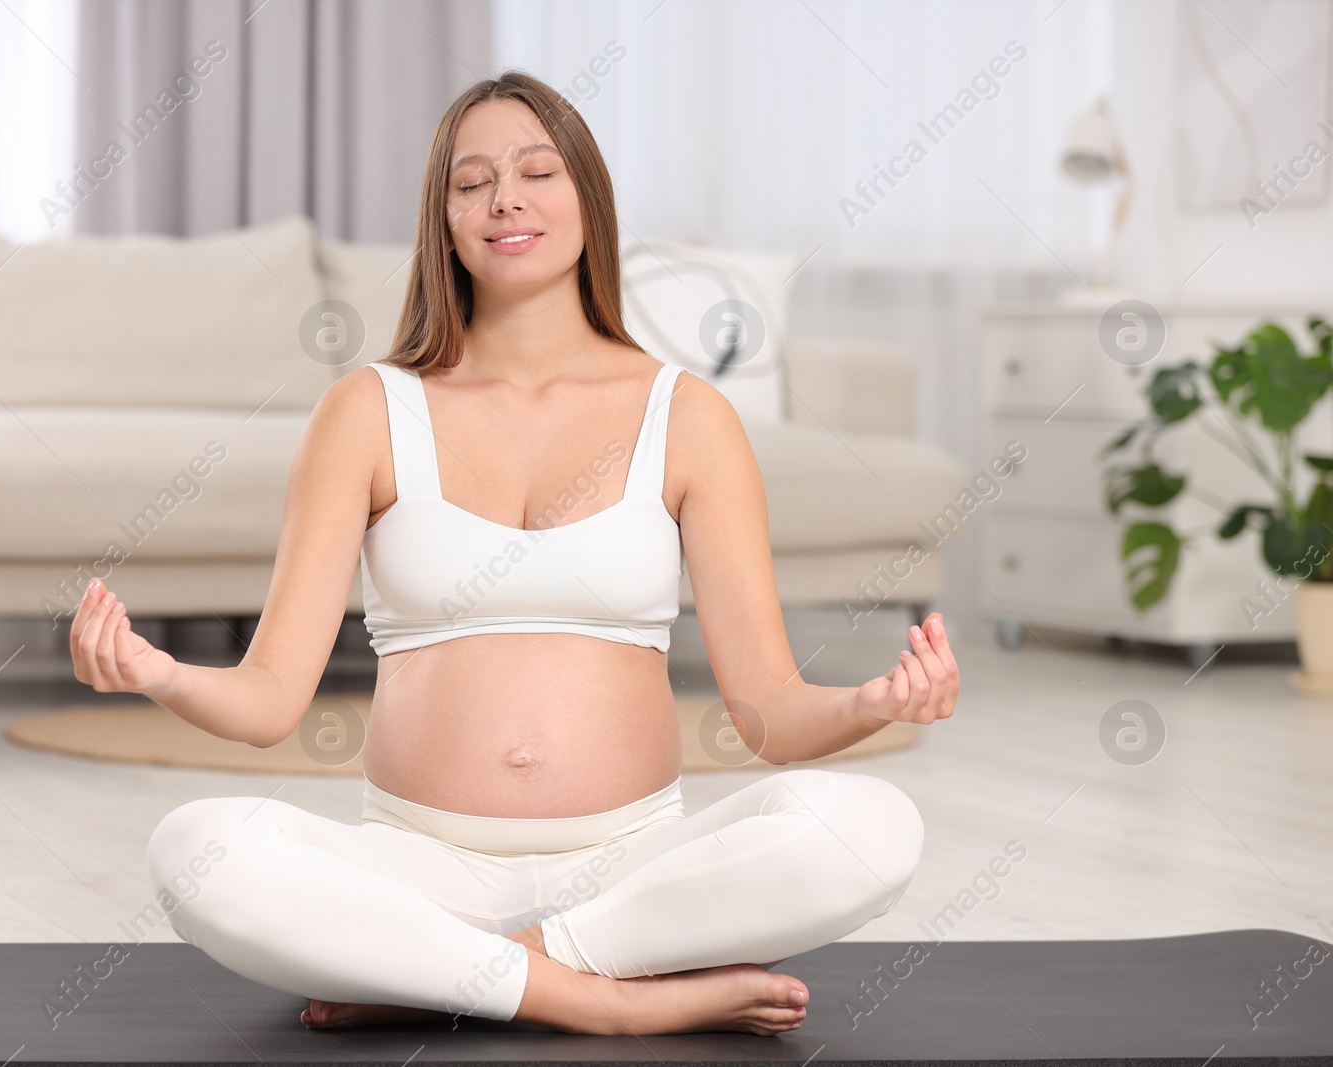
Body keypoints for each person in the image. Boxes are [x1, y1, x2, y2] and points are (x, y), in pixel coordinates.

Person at [69, 70, 959, 1037]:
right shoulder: (367, 411)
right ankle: (611, 1003)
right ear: (443, 220)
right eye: (472, 182)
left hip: (634, 868)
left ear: (588, 198)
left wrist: (870, 705)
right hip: (420, 867)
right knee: (194, 846)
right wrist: (158, 672)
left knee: (874, 826)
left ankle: (477, 972)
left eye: (538, 171)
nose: (506, 201)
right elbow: (270, 700)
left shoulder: (688, 416)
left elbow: (767, 714)